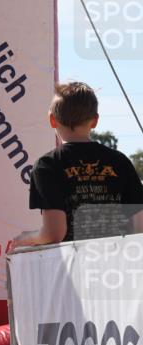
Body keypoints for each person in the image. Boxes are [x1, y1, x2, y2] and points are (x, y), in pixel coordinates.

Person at [12, 81, 143, 248]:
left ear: (52, 120)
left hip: (74, 270)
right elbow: (140, 228)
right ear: (95, 121)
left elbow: (54, 233)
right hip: (119, 266)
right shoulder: (121, 162)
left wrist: (26, 238)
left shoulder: (47, 165)